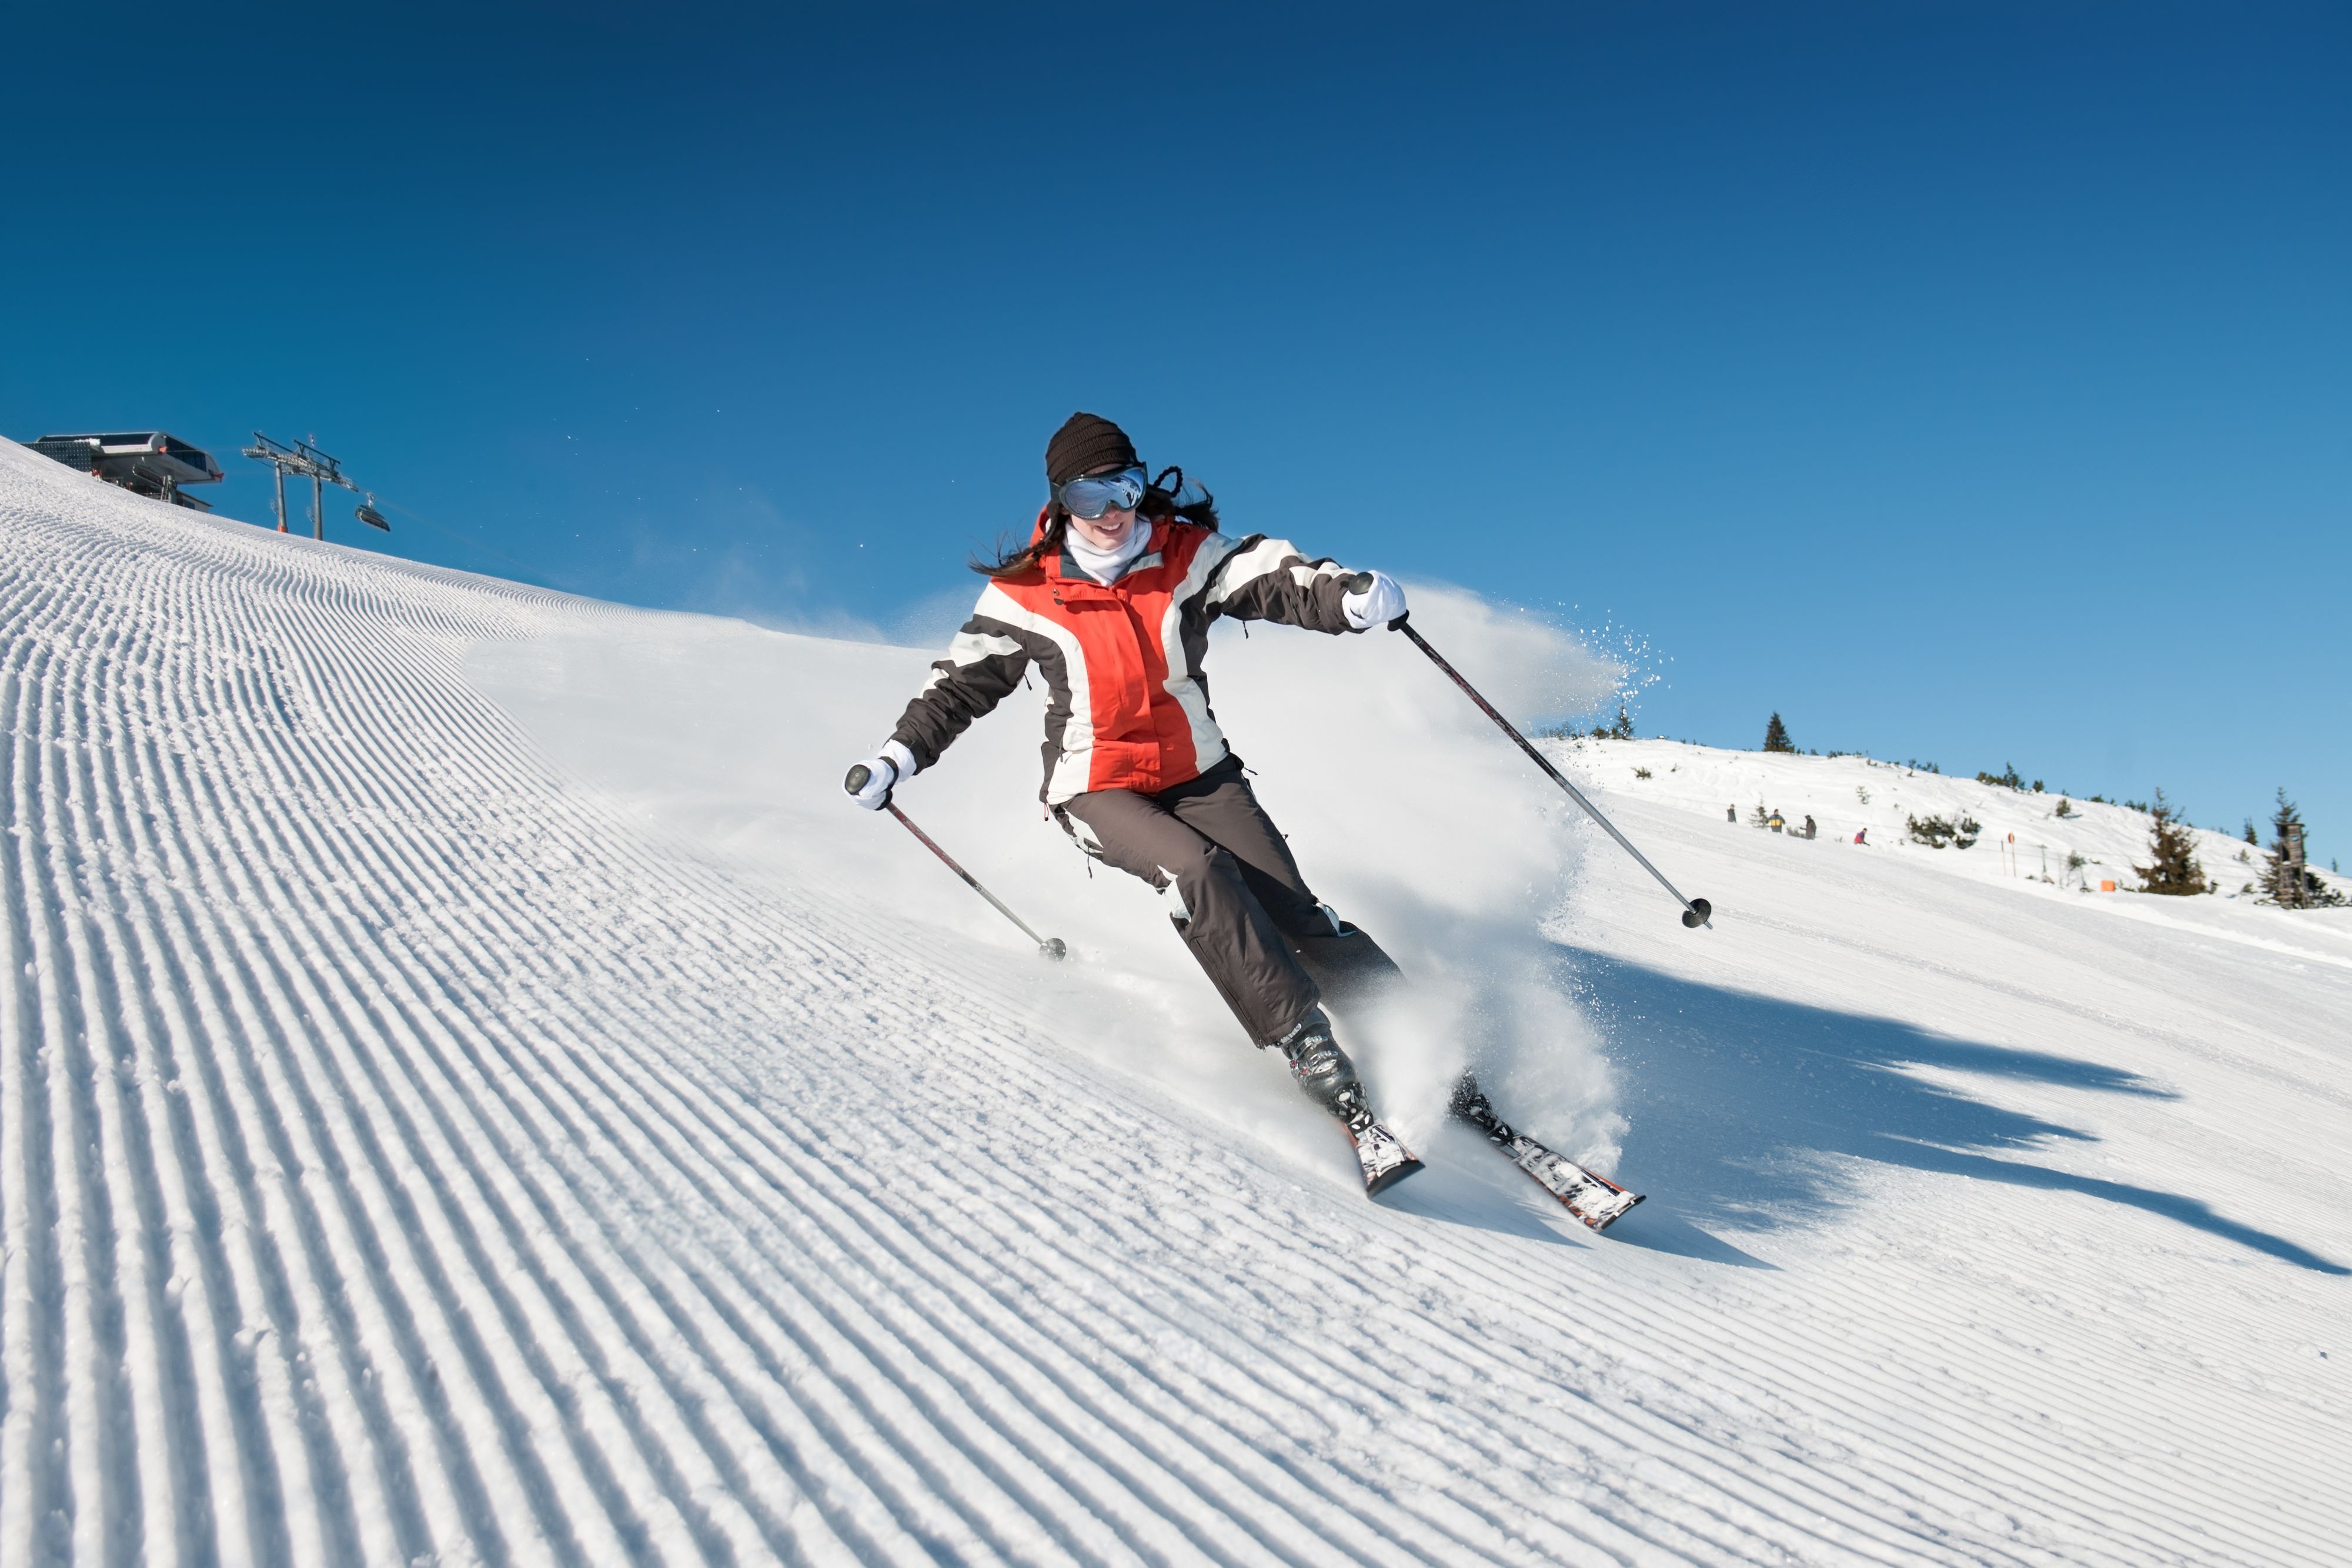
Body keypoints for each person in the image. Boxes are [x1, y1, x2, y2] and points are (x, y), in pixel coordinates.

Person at [843, 413, 1418, 1169]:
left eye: (1124, 489)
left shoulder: (1187, 556)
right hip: (1094, 787)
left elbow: (1274, 576)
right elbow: (958, 686)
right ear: (1060, 504)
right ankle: (1306, 1045)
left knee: (1292, 906)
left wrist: (1345, 597)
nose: (1111, 513)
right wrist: (897, 757)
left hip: (1199, 773)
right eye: (1089, 497)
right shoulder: (1025, 594)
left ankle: (1409, 1024)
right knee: (1198, 872)